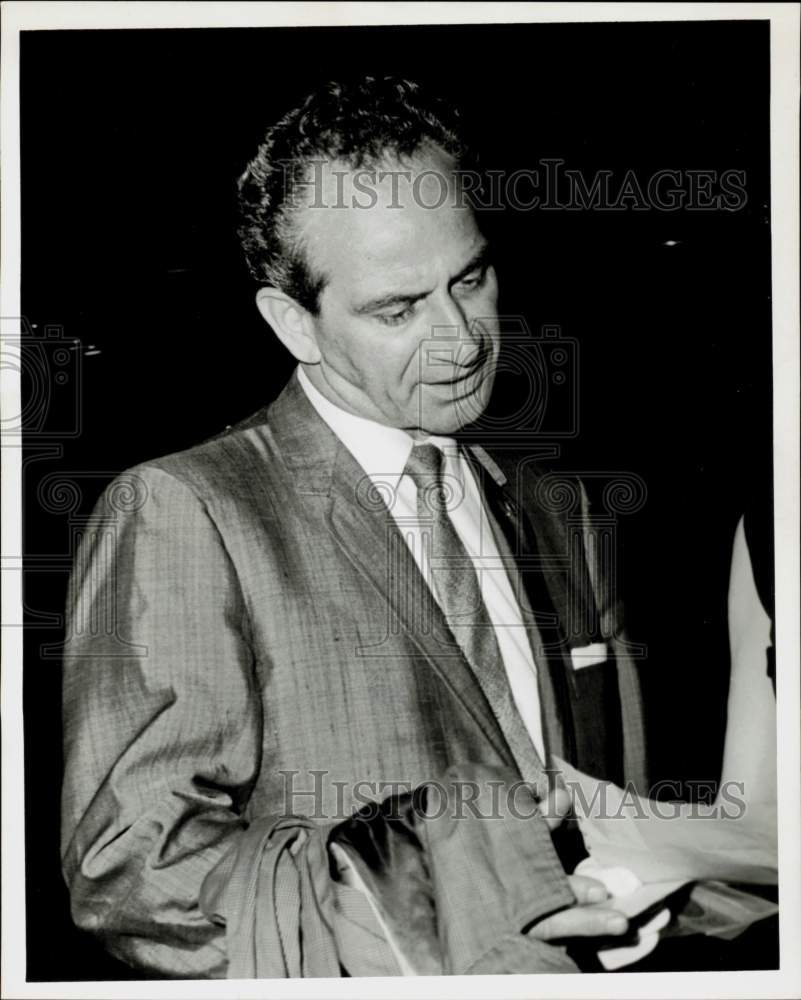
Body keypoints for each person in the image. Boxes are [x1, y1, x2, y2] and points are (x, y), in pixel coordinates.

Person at [61, 76, 649, 978]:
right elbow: (135, 870)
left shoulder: (556, 510)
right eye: (397, 308)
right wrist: (444, 894)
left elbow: (614, 811)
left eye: (470, 277)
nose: (461, 338)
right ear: (294, 322)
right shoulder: (184, 512)